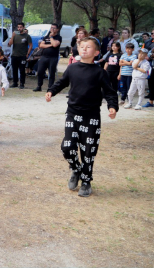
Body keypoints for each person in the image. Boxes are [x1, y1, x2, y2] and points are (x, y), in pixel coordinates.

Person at [45, 37, 118, 197]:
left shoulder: (100, 72)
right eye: (82, 46)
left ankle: (86, 181)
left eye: (88, 47)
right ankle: (76, 169)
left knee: (88, 151)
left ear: (97, 53)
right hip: (73, 114)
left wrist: (112, 106)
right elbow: (62, 82)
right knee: (67, 147)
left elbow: (110, 92)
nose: (84, 49)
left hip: (91, 117)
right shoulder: (72, 68)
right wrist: (52, 90)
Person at [33, 24, 62, 92]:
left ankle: (50, 88)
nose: (52, 29)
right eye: (51, 28)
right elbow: (41, 45)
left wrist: (51, 38)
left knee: (51, 73)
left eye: (54, 28)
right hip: (44, 57)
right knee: (40, 71)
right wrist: (50, 45)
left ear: (57, 29)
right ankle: (39, 86)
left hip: (53, 58)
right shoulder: (46, 37)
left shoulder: (58, 37)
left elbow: (55, 45)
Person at [8, 22, 32, 89]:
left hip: (22, 56)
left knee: (22, 70)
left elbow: (30, 45)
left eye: (20, 27)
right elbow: (9, 44)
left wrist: (27, 54)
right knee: (14, 70)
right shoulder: (15, 35)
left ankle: (22, 83)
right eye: (18, 27)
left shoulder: (27, 36)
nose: (19, 28)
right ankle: (15, 83)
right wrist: (12, 36)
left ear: (23, 27)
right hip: (14, 55)